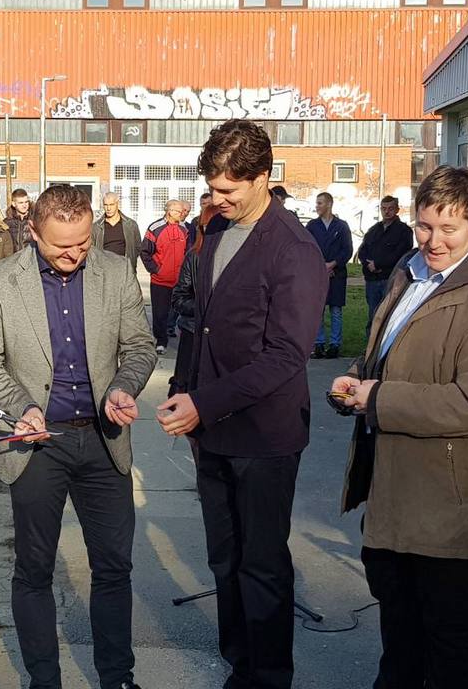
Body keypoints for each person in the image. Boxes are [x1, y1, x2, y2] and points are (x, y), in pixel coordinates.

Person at [333, 165, 468, 689]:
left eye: (449, 229)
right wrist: (357, 378)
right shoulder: (410, 271)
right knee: (400, 652)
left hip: (457, 511)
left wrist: (379, 398)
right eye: (425, 225)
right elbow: (388, 355)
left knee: (447, 656)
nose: (433, 240)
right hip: (399, 498)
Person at [157, 120, 326, 689]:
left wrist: (203, 403)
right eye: (211, 188)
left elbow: (286, 356)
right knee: (224, 559)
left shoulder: (293, 249)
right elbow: (200, 324)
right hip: (212, 431)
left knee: (262, 565)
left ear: (263, 177)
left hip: (264, 437)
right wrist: (183, 391)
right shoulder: (216, 231)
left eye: (228, 190)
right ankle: (240, 666)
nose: (217, 199)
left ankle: (269, 675)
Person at [0, 184, 156, 689]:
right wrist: (22, 406)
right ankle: (44, 680)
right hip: (36, 445)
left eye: (83, 242)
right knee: (34, 570)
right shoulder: (1, 281)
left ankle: (117, 678)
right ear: (33, 232)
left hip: (103, 440)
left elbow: (141, 346)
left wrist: (122, 387)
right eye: (62, 246)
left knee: (114, 567)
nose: (75, 254)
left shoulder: (114, 271)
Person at [170, 202, 219, 414]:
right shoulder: (194, 256)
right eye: (205, 226)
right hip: (193, 332)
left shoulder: (238, 258)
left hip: (223, 337)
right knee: (187, 391)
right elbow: (178, 298)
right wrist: (203, 308)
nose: (209, 231)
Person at [356, 196, 413, 336]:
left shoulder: (404, 231)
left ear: (397, 210)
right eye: (384, 208)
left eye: (390, 208)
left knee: (390, 315)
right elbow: (362, 251)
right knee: (373, 315)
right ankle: (370, 345)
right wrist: (368, 264)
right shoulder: (374, 230)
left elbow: (401, 254)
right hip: (372, 280)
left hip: (391, 279)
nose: (387, 212)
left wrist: (378, 264)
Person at [306, 192, 352, 358]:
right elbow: (307, 248)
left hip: (336, 274)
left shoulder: (342, 226)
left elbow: (347, 250)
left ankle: (334, 344)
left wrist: (333, 264)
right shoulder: (312, 226)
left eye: (320, 203)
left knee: (335, 310)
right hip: (318, 274)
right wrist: (321, 266)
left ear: (329, 204)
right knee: (318, 310)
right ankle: (318, 344)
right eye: (317, 203)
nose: (317, 206)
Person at [140, 199, 189, 355]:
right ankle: (161, 341)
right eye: (179, 211)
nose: (182, 213)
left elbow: (188, 253)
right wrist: (156, 270)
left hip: (179, 281)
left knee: (177, 311)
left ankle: (176, 337)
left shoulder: (184, 229)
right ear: (170, 211)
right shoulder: (155, 228)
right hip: (160, 280)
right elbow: (145, 252)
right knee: (160, 313)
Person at [91, 192, 141, 273]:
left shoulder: (131, 225)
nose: (108, 208)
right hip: (104, 271)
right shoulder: (96, 227)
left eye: (111, 204)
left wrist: (130, 263)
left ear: (117, 204)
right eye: (106, 205)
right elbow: (91, 250)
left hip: (125, 270)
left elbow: (137, 248)